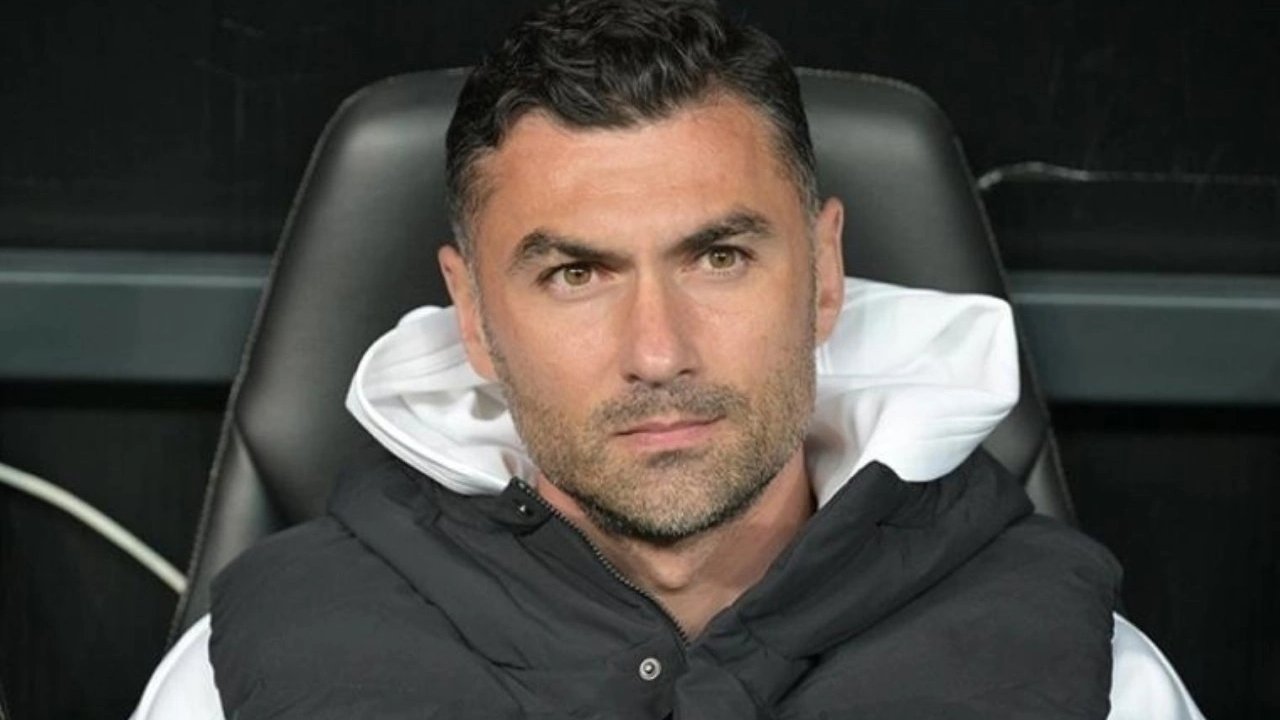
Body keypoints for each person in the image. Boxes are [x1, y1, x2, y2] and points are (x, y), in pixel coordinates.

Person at [133, 1, 1205, 717]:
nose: (657, 352)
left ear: (824, 273)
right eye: (575, 274)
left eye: (719, 257)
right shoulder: (249, 677)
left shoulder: (1081, 675)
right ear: (473, 316)